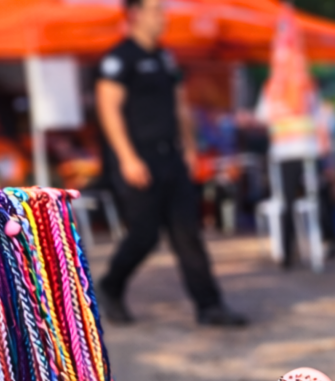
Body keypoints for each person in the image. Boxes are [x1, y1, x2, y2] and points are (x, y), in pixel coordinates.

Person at [95, 0, 247, 326]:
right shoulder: (119, 58)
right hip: (139, 159)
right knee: (145, 234)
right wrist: (127, 157)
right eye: (155, 9)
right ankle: (110, 286)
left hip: (171, 157)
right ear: (135, 14)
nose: (162, 16)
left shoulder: (165, 57)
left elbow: (180, 106)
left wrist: (189, 147)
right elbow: (108, 109)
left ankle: (210, 306)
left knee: (187, 232)